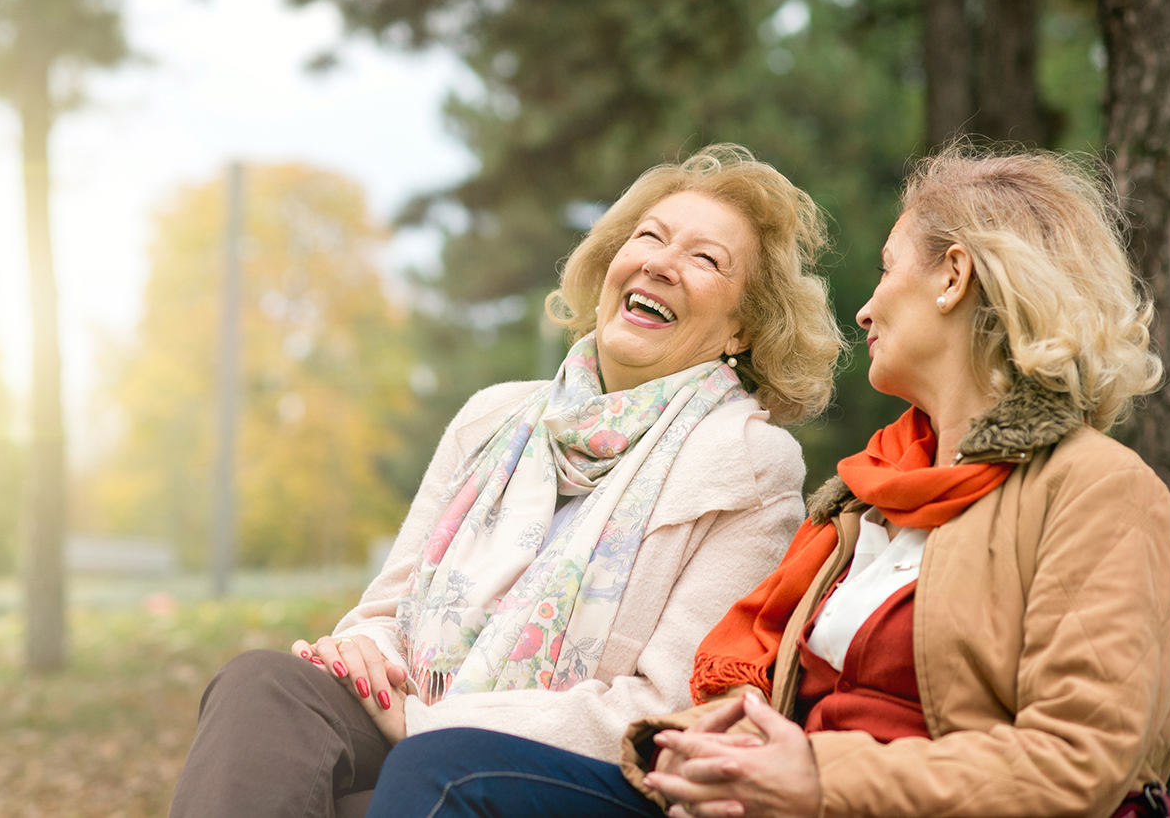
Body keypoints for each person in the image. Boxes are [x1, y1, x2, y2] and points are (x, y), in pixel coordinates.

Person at [365, 145, 1170, 818]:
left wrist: (818, 776)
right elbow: (747, 688)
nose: (864, 311)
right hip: (764, 802)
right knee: (404, 752)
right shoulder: (868, 499)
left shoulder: (1097, 492)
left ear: (952, 277)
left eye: (887, 269)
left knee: (443, 773)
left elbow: (1079, 760)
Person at [166, 144, 846, 818]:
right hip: (410, 716)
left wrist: (433, 726)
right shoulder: (492, 416)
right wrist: (362, 652)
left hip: (555, 766)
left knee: (421, 772)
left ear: (741, 329)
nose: (661, 263)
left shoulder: (749, 463)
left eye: (706, 259)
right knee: (264, 684)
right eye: (649, 237)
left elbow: (667, 706)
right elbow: (385, 613)